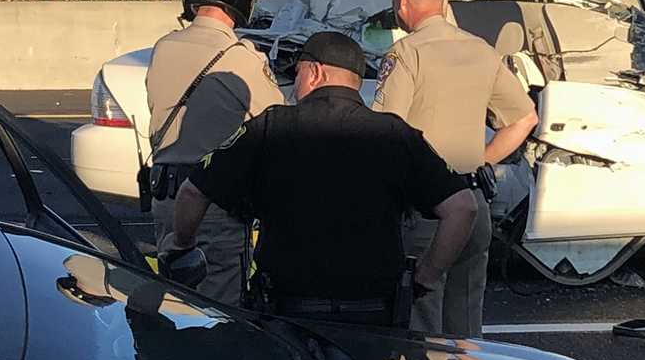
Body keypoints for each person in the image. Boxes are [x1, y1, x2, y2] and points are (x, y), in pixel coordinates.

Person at [168, 31, 478, 329]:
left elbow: (193, 193)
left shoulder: (270, 127)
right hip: (373, 317)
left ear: (315, 72)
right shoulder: (395, 134)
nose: (294, 86)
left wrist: (183, 245)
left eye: (298, 74)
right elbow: (463, 208)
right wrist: (426, 275)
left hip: (288, 314)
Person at [373, 0, 539, 337]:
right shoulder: (481, 50)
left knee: (420, 321)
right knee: (465, 325)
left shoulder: (406, 54)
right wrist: (483, 160)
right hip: (471, 199)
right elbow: (524, 118)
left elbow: (385, 131)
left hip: (424, 210)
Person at [146, 0, 285, 306]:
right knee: (219, 309)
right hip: (213, 200)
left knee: (174, 297)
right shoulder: (242, 58)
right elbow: (276, 121)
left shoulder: (163, 48)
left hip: (165, 196)